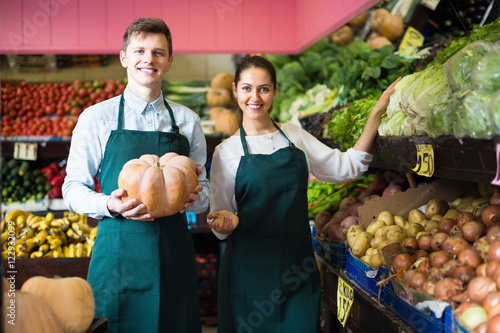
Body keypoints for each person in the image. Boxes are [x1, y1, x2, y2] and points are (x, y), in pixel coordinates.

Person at [207, 55, 400, 333]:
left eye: (263, 88)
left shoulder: (294, 136)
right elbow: (220, 224)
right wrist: (225, 223)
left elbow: (346, 167)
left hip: (296, 270)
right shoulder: (225, 153)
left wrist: (376, 113)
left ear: (274, 91)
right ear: (235, 90)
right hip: (250, 275)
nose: (255, 97)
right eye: (247, 88)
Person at [62, 17, 210, 333]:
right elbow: (72, 187)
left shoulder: (187, 122)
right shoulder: (96, 118)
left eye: (158, 53)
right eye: (140, 50)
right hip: (117, 253)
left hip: (171, 257)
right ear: (124, 58)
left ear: (169, 61)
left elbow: (205, 189)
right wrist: (109, 205)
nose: (148, 60)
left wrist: (196, 199)